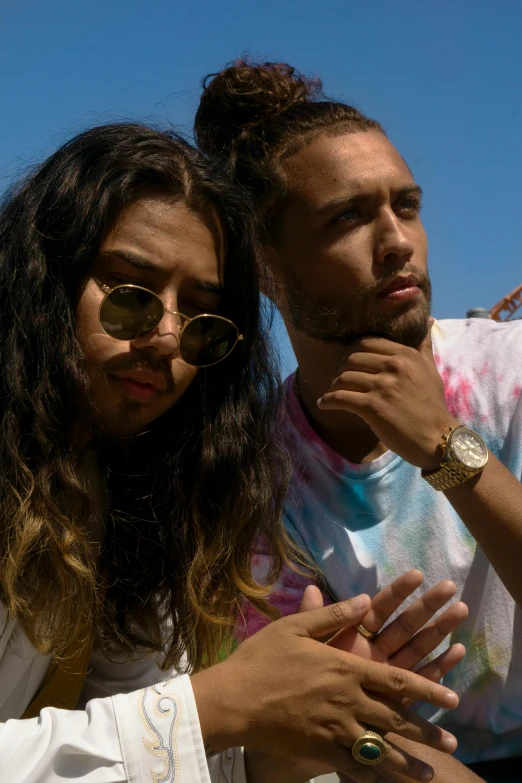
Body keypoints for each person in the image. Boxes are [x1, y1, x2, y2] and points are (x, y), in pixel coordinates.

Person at [0, 121, 465, 783]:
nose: (166, 337)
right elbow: (167, 723)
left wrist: (285, 739)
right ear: (45, 277)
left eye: (200, 318)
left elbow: (126, 738)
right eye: (131, 295)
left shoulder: (135, 498)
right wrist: (217, 705)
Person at [195, 59, 522, 782]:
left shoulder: (512, 374)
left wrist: (448, 450)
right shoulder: (254, 480)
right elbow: (304, 728)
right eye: (348, 216)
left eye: (406, 206)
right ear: (264, 265)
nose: (398, 240)